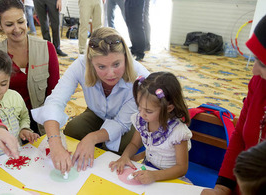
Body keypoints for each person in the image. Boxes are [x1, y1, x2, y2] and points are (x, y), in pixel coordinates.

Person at [31, 27, 150, 174]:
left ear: (126, 57)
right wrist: (55, 143)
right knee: (72, 130)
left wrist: (92, 138)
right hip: (96, 113)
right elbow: (55, 101)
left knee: (119, 148)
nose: (110, 74)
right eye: (101, 66)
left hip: (129, 120)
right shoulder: (80, 65)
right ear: (90, 62)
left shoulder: (141, 77)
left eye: (116, 64)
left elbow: (121, 123)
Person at [0, 0, 60, 135]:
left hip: (38, 121)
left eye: (20, 22)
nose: (17, 29)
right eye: (9, 24)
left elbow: (54, 93)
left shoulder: (46, 48)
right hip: (3, 124)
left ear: (26, 19)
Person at [201, 15, 266, 195]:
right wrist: (222, 186)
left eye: (262, 63)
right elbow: (239, 136)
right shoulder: (258, 82)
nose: (254, 70)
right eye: (254, 59)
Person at [109, 72, 192, 184]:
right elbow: (134, 144)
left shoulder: (178, 132)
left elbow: (181, 168)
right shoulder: (142, 120)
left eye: (148, 111)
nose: (142, 114)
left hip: (170, 177)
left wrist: (154, 175)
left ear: (169, 108)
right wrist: (125, 156)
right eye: (139, 107)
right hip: (148, 168)